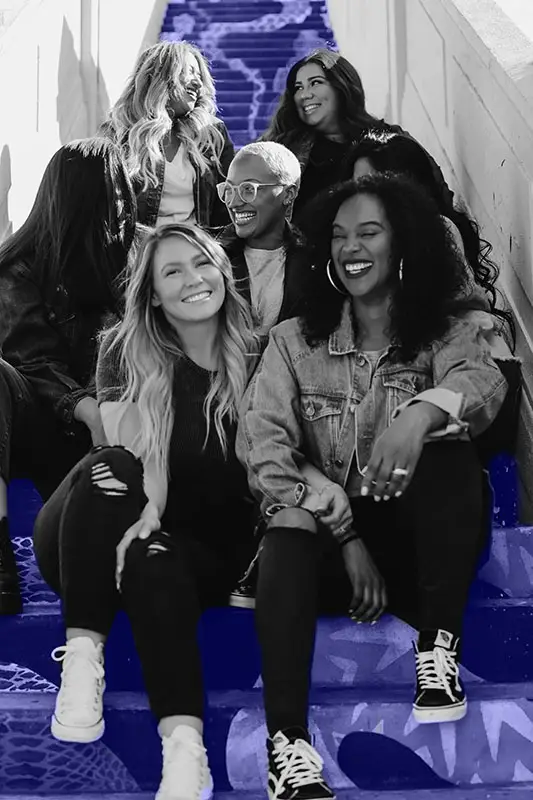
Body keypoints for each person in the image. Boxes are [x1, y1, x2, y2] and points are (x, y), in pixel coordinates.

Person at [235, 174, 508, 799]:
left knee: (447, 447)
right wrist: (347, 534)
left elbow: (483, 385)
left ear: (403, 242)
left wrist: (420, 413)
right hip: (329, 550)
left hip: (423, 549)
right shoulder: (292, 343)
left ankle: (438, 650)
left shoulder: (444, 333)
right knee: (287, 521)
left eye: (369, 232)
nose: (349, 247)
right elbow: (263, 449)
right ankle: (288, 746)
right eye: (337, 236)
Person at [32, 224, 257, 800]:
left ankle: (186, 755)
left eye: (202, 263)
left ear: (223, 272)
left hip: (199, 547)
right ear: (152, 293)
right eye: (172, 272)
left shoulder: (261, 352)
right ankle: (82, 657)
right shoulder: (123, 347)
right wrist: (150, 505)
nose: (193, 280)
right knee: (111, 465)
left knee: (153, 561)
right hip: (96, 531)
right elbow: (135, 448)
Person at [0, 137, 136, 615]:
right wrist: (87, 408)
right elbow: (30, 359)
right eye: (116, 192)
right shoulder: (19, 267)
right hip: (50, 426)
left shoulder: (136, 256)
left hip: (132, 421)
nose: (125, 202)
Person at [343, 129, 520, 460]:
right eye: (360, 184)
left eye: (380, 182)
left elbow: (434, 310)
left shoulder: (436, 228)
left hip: (460, 357)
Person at [262, 47, 451, 223]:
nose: (304, 95)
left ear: (341, 86)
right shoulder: (284, 151)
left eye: (315, 83)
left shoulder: (391, 141)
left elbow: (434, 196)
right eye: (298, 87)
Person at [101, 41, 234, 229]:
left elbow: (226, 209)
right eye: (189, 72)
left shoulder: (212, 135)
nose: (198, 83)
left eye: (200, 76)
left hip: (195, 251)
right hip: (139, 253)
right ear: (160, 76)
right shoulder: (119, 133)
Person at [215, 141, 310, 343]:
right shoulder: (211, 256)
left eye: (248, 189)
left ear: (288, 194)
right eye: (229, 190)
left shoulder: (313, 261)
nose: (234, 202)